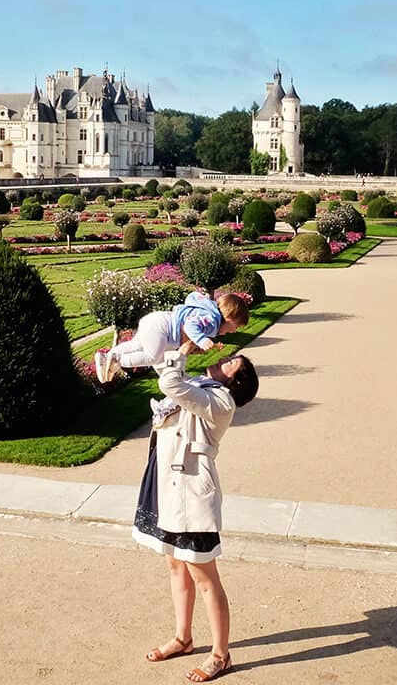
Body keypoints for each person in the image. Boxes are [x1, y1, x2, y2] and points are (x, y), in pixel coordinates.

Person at [132, 342, 259, 681]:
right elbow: (168, 374)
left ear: (237, 380)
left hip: (191, 494)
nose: (226, 358)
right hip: (169, 487)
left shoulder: (221, 401)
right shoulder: (202, 387)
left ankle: (221, 655)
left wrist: (184, 350)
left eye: (234, 362)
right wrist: (171, 342)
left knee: (204, 576)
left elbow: (170, 383)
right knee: (175, 565)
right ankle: (183, 638)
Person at [94, 292, 249, 384]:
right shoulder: (212, 320)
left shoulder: (208, 316)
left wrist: (196, 345)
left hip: (156, 321)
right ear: (229, 317)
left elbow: (188, 331)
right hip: (163, 327)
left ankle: (108, 355)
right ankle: (116, 361)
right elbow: (190, 325)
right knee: (152, 357)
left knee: (137, 345)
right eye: (236, 326)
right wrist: (201, 339)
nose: (233, 331)